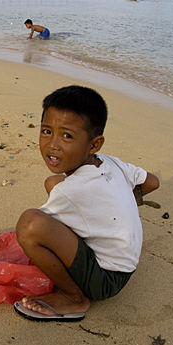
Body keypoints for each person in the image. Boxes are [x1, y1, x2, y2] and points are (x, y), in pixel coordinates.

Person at [14, 85, 160, 321]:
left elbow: (35, 228)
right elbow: (152, 182)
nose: (53, 144)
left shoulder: (73, 191)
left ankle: (73, 297)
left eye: (67, 136)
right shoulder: (109, 161)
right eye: (46, 131)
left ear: (94, 144)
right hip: (125, 264)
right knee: (53, 182)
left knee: (29, 224)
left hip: (106, 279)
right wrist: (120, 205)